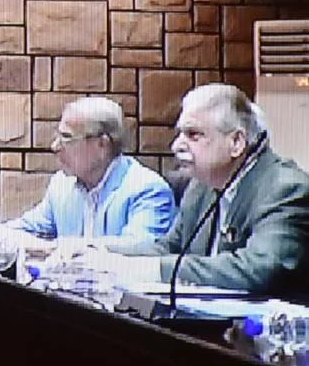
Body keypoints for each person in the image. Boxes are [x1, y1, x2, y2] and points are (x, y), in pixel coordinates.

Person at [92, 84, 309, 294]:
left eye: (193, 134)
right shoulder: (200, 185)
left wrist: (154, 270)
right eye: (180, 134)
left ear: (236, 142)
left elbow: (259, 268)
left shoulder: (286, 188)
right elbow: (168, 249)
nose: (176, 146)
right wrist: (100, 253)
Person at [8, 97, 175, 250]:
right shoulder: (62, 184)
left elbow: (141, 248)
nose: (55, 146)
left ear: (102, 144)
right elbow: (25, 230)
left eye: (67, 137)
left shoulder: (148, 189)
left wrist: (65, 248)